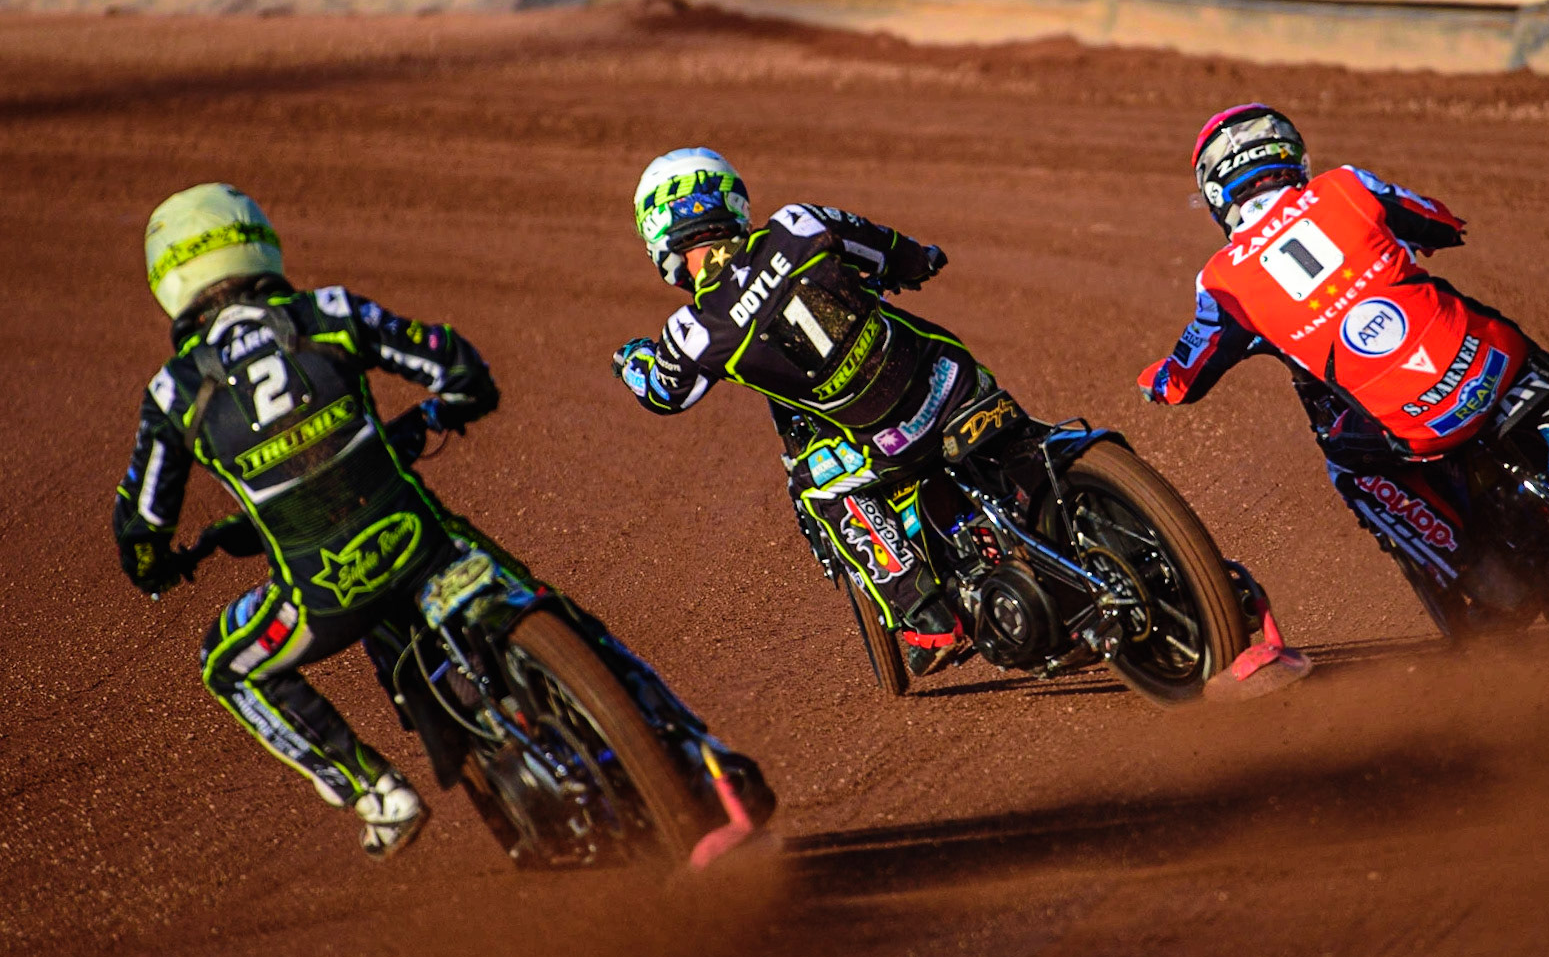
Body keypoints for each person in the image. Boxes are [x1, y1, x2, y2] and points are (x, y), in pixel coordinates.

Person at [115, 183, 765, 859]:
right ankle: (699, 753)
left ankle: (377, 796)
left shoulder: (172, 392)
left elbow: (139, 532)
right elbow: (458, 368)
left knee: (226, 663)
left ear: (172, 280)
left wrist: (165, 564)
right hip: (424, 545)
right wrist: (445, 410)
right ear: (258, 242)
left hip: (320, 596)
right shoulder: (328, 312)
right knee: (562, 615)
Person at [1137, 105, 1544, 622]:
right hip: (1488, 355)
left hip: (1404, 419)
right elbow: (1440, 223)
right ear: (1293, 158)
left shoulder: (1222, 279)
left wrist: (1158, 381)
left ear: (1217, 195)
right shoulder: (1347, 184)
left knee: (1349, 465)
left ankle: (1481, 571)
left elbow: (1185, 377)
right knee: (1542, 366)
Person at [610, 148, 988, 677]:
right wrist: (922, 259)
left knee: (817, 487)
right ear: (732, 201)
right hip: (951, 376)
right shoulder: (797, 224)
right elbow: (900, 254)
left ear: (657, 234)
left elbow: (662, 394)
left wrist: (631, 361)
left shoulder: (693, 331)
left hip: (887, 439)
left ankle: (928, 617)